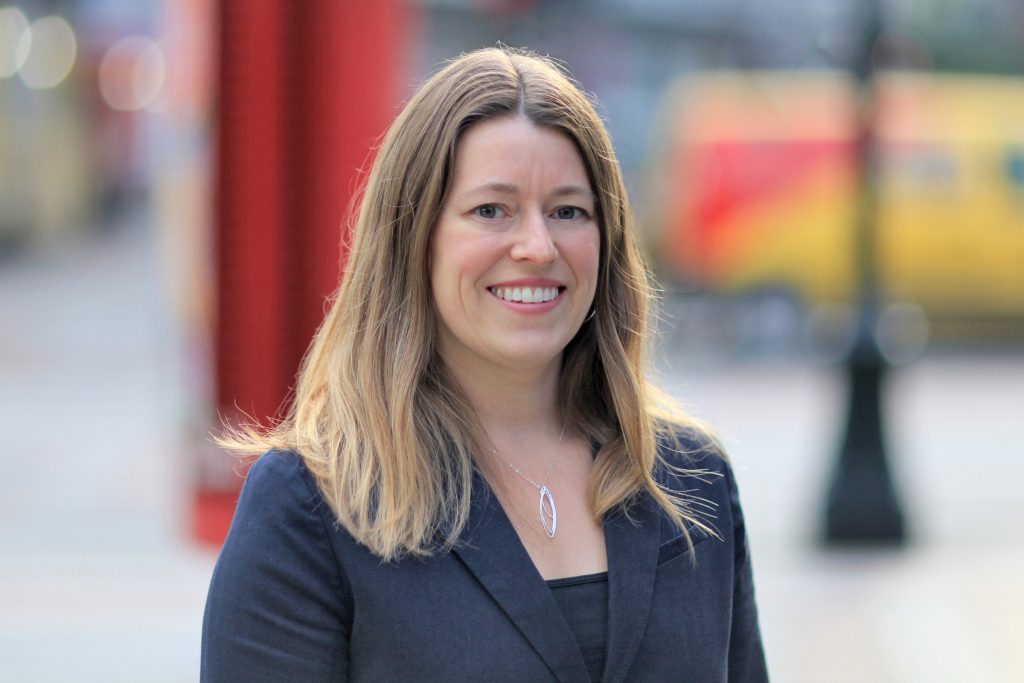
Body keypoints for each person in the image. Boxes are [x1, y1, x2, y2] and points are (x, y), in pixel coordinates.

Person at [201, 46, 768, 682]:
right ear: (414, 240)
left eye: (568, 211)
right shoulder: (313, 506)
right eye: (491, 210)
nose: (537, 247)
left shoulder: (692, 480)